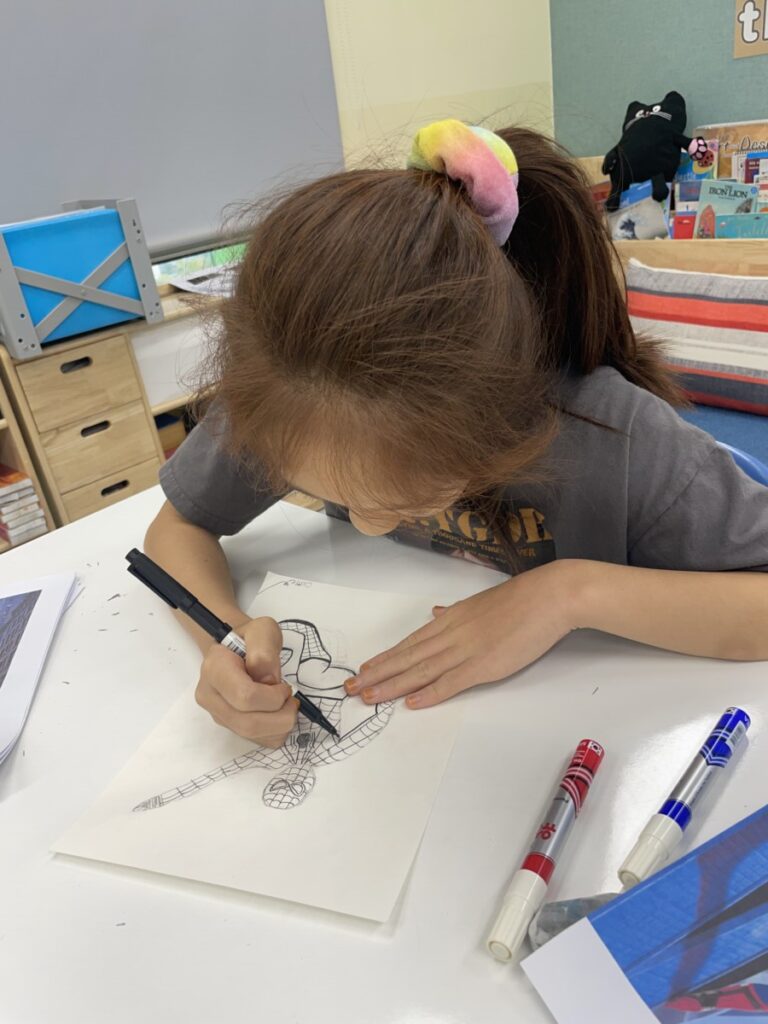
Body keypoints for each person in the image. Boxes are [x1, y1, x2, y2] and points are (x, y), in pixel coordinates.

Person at [145, 120, 768, 748]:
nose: (367, 525)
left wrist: (567, 594)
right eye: (331, 493)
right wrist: (225, 635)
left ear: (493, 416)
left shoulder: (618, 437)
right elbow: (177, 528)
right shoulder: (291, 389)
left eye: (398, 497)